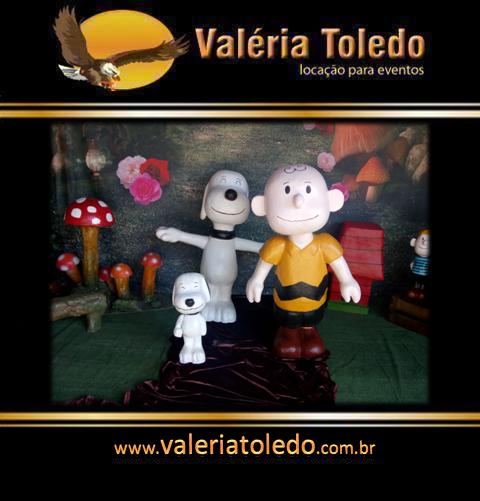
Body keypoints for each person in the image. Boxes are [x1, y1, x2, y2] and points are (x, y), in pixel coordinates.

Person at [246, 164, 361, 359]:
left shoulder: (325, 244)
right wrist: (257, 280)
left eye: (308, 190)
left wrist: (347, 280)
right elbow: (263, 266)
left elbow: (339, 263)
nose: (298, 201)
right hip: (286, 302)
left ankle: (309, 333)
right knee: (288, 324)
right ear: (262, 207)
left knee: (312, 321)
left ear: (332, 201)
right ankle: (287, 333)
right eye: (287, 192)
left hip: (315, 301)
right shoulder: (277, 245)